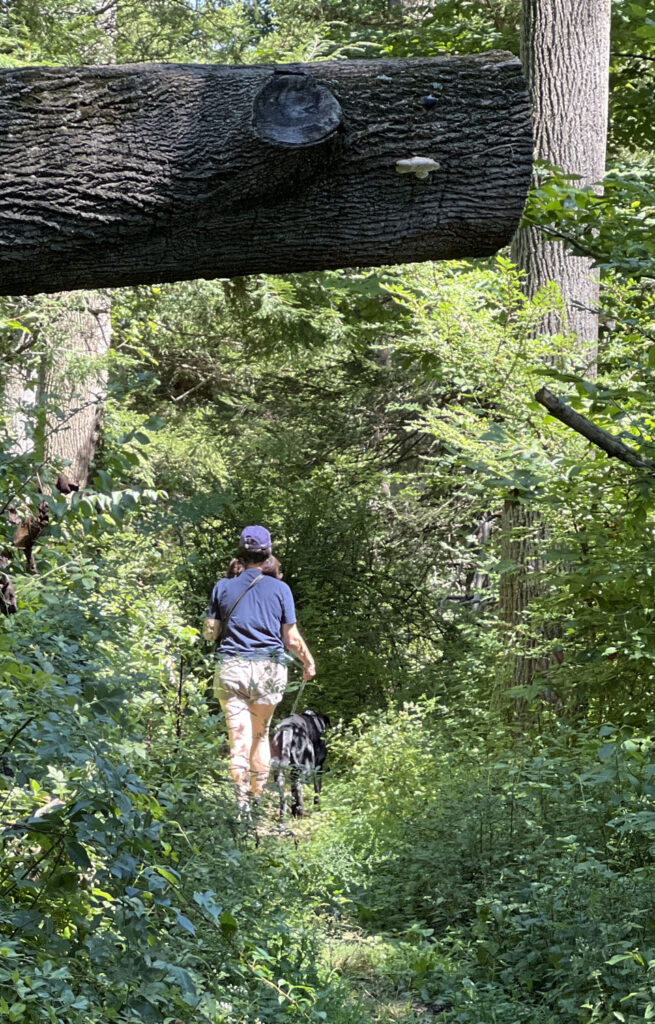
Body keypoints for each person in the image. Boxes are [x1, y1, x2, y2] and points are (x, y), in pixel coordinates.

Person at [204, 526, 315, 814]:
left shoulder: (222, 587)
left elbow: (210, 633)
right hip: (269, 669)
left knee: (237, 739)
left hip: (232, 668)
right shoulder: (281, 589)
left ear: (240, 553)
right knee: (260, 735)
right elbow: (291, 639)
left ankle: (241, 805)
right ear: (267, 554)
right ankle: (256, 798)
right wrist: (308, 662)